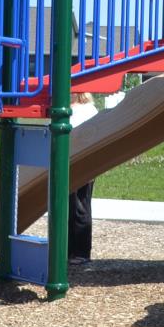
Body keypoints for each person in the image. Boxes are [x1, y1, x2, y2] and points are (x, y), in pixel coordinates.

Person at [68, 94, 96, 262]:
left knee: (80, 206)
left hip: (83, 162)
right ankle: (70, 249)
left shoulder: (86, 110)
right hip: (70, 162)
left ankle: (80, 252)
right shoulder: (74, 110)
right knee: (70, 207)